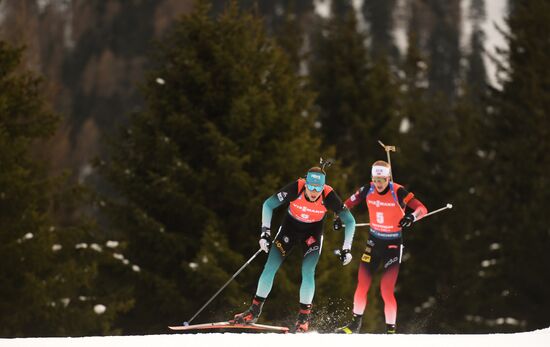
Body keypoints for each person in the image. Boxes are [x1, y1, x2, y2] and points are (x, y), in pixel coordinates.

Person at [231, 163, 356, 332]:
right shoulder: (296, 187)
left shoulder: (329, 195)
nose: (313, 192)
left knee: (308, 272)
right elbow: (268, 204)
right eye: (310, 186)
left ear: (323, 187)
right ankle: (253, 312)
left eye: (317, 188)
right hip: (289, 230)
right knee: (270, 267)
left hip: (312, 235)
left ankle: (303, 320)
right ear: (306, 183)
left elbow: (350, 221)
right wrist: (264, 233)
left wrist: (346, 248)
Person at [334, 160, 427, 334]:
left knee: (386, 289)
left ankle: (390, 331)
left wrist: (411, 217)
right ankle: (354, 325)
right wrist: (340, 216)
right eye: (375, 179)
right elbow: (347, 204)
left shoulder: (398, 191)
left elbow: (422, 208)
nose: (378, 184)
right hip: (374, 242)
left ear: (388, 178)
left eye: (382, 180)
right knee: (362, 284)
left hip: (392, 244)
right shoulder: (367, 189)